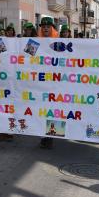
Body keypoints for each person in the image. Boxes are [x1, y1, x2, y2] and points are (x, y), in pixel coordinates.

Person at [38, 16, 57, 149]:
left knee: (52, 111)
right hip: (39, 82)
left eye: (47, 26)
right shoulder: (35, 42)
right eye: (43, 26)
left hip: (54, 82)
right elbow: (27, 57)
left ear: (51, 28)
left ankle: (51, 136)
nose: (45, 28)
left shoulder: (58, 43)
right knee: (40, 110)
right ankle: (42, 136)